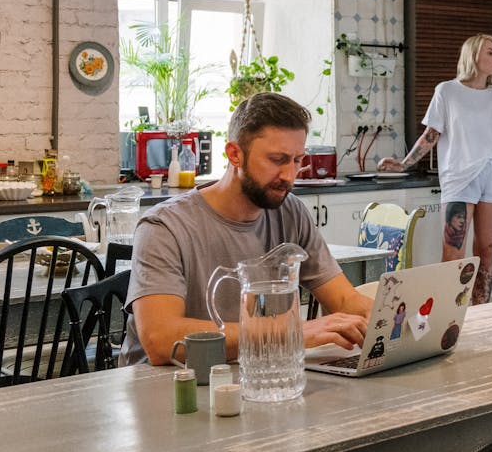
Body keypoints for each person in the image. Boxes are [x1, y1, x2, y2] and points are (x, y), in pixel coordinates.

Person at [121, 93, 372, 366]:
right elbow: (161, 340)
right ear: (234, 154)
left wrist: (399, 318)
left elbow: (345, 299)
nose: (289, 176)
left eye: (297, 160)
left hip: (256, 378)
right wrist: (289, 333)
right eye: (277, 159)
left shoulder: (292, 212)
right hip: (169, 389)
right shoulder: (164, 227)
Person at [377, 34, 492, 304]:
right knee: (453, 255)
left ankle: (482, 313)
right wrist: (404, 164)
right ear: (473, 56)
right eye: (490, 52)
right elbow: (431, 134)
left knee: (487, 250)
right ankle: (448, 315)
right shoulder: (447, 91)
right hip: (459, 177)